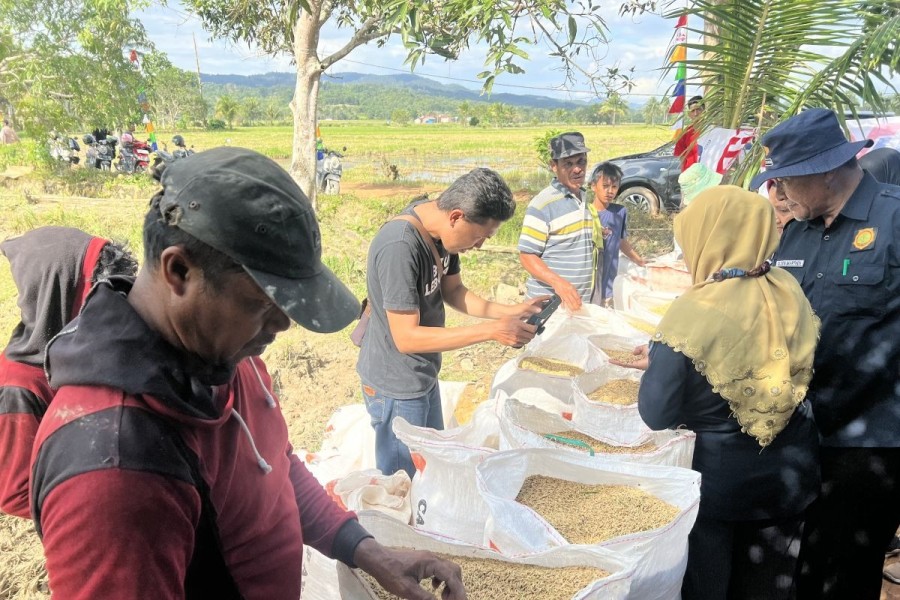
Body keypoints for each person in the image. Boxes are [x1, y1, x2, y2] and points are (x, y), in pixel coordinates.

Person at [30, 147, 466, 600]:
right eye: (262, 302)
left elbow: (274, 468)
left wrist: (369, 552)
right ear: (179, 271)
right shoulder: (116, 469)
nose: (282, 326)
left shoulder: (224, 354)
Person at [637, 186, 821, 600]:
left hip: (716, 487)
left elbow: (656, 413)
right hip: (790, 475)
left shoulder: (692, 314)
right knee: (771, 586)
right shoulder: (787, 288)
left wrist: (657, 360)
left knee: (709, 585)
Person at [751, 107, 900, 600]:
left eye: (786, 180)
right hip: (800, 438)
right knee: (799, 570)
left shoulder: (895, 219)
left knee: (848, 575)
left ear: (828, 170)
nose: (779, 194)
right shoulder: (795, 231)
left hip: (868, 446)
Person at [358, 168, 542, 478]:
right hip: (396, 385)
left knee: (433, 469)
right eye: (480, 236)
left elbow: (453, 291)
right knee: (405, 483)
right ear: (456, 216)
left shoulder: (443, 235)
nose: (480, 245)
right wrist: (491, 331)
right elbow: (406, 338)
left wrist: (509, 312)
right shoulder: (400, 246)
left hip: (422, 374)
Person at [0, 227, 136, 518]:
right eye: (99, 292)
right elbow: (16, 492)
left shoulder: (74, 351)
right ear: (58, 295)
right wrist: (101, 506)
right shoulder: (20, 386)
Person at [519, 131, 595, 311]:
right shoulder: (543, 204)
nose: (577, 169)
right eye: (568, 164)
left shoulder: (583, 197)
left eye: (581, 162)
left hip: (577, 303)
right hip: (548, 306)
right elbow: (527, 255)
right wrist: (558, 283)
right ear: (553, 166)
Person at [587, 162, 645, 308]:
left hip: (609, 282)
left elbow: (620, 241)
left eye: (614, 187)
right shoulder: (586, 214)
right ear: (593, 186)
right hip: (590, 282)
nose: (609, 191)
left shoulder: (620, 212)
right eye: (605, 186)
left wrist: (639, 260)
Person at [674, 96, 704, 170]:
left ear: (704, 111)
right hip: (690, 175)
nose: (696, 113)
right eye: (693, 111)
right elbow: (682, 158)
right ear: (689, 114)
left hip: (707, 176)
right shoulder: (685, 133)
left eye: (699, 109)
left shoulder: (712, 131)